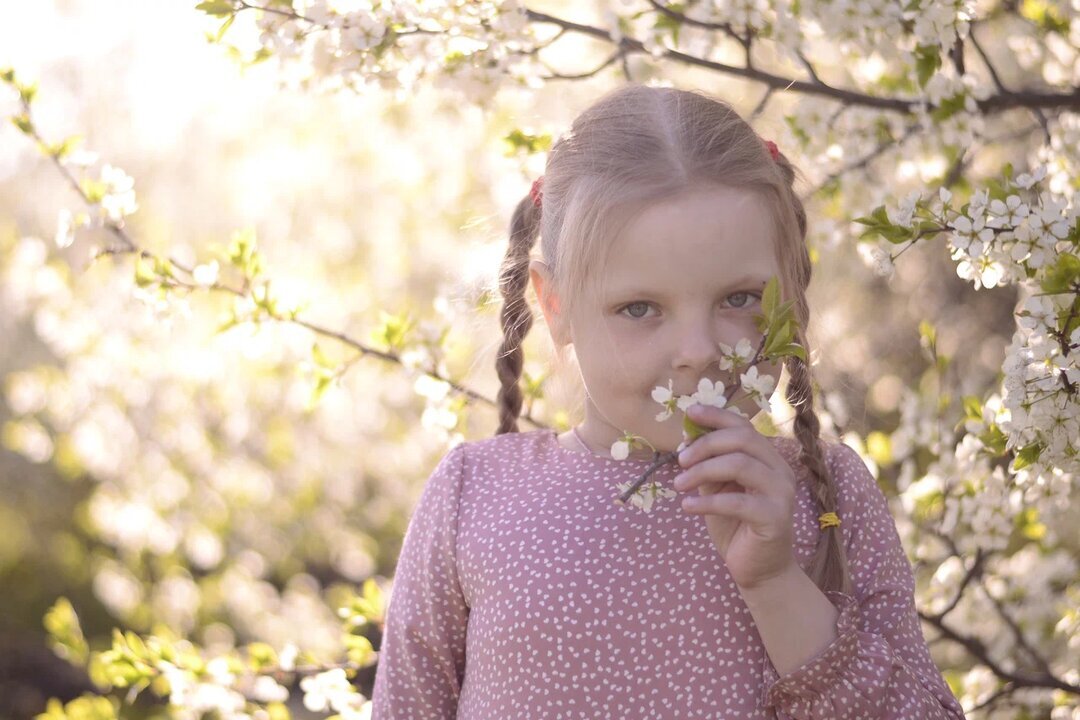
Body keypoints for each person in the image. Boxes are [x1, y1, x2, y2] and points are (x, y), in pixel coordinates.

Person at [370, 84, 967, 719]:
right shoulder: (475, 495)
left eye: (738, 298)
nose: (698, 350)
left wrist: (775, 584)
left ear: (788, 289)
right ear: (555, 305)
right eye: (639, 308)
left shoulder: (827, 497)